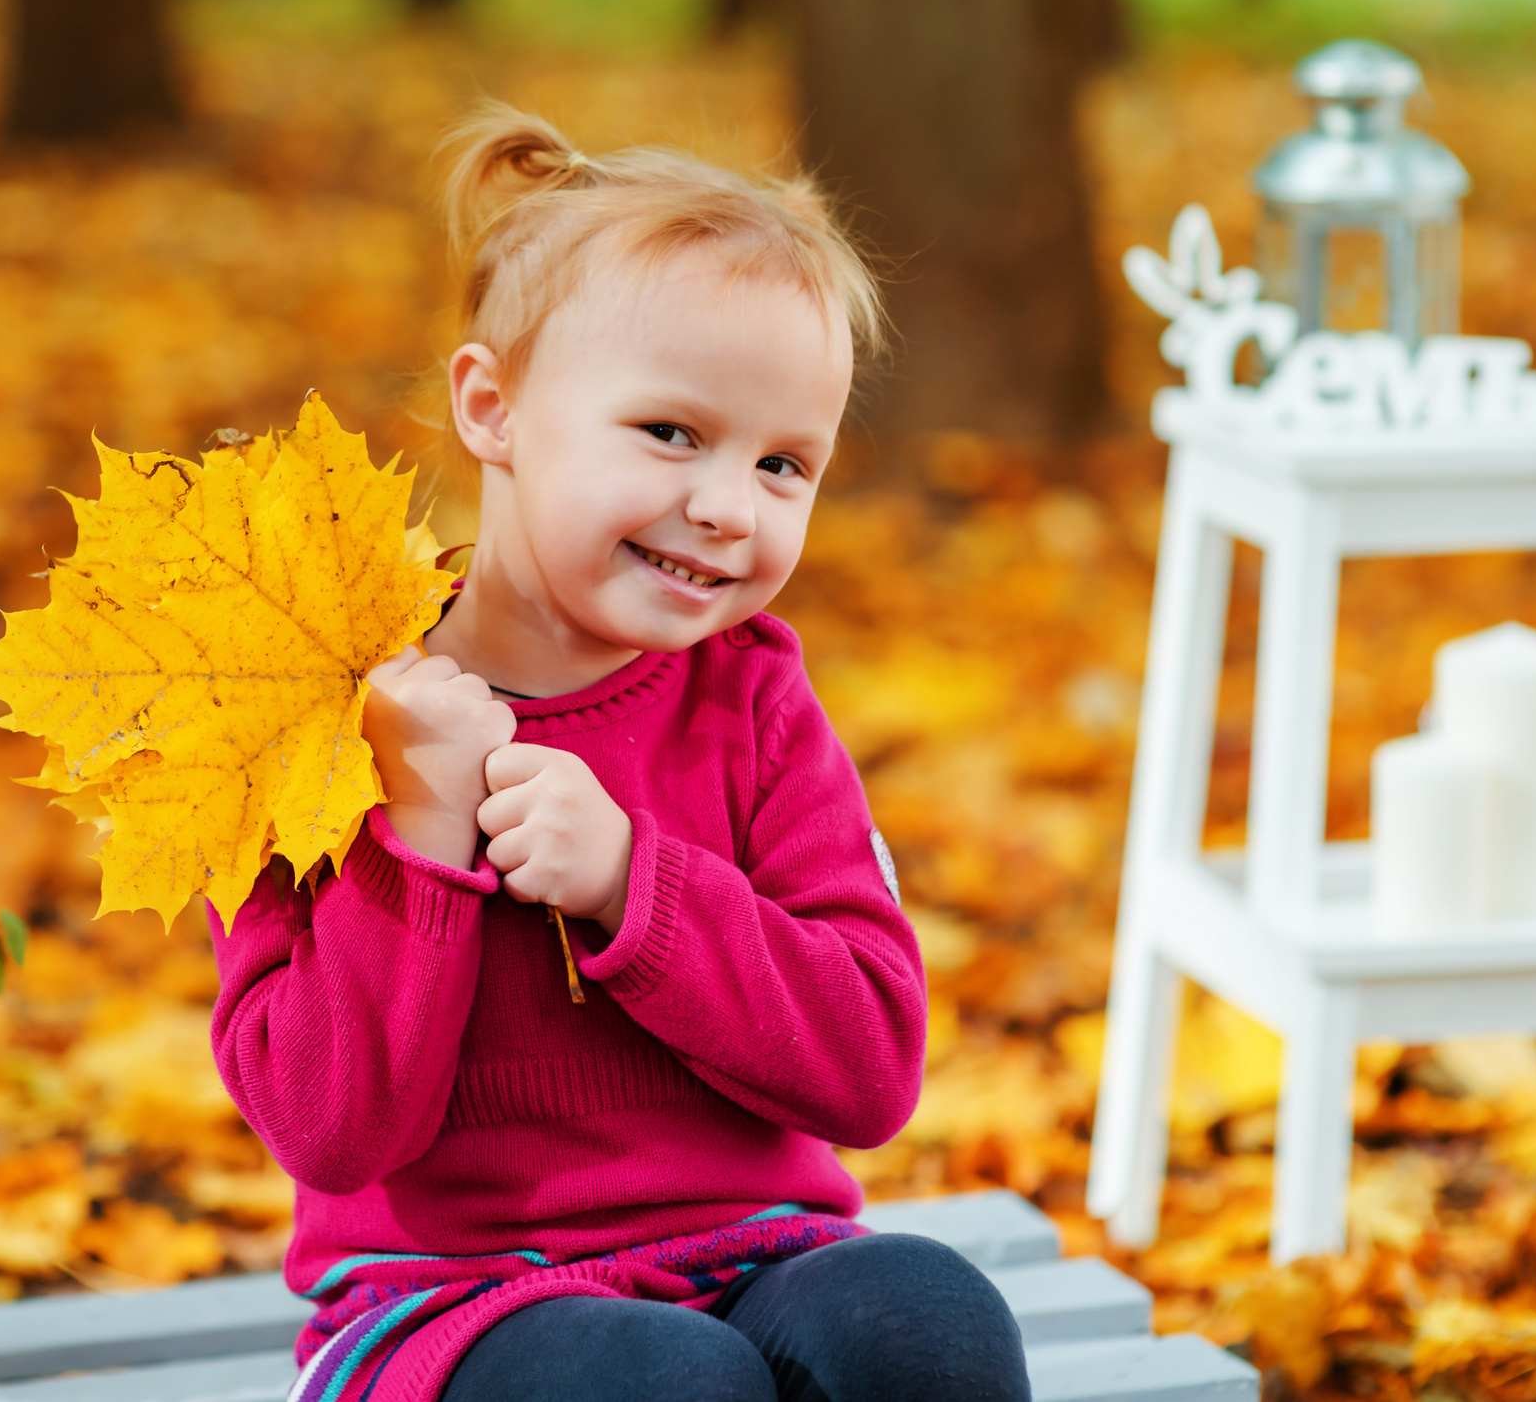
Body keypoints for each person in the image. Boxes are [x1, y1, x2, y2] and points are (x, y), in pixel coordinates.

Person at [209, 106, 1030, 1402]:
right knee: (665, 1384)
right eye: (670, 432)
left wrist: (634, 885)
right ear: (494, 408)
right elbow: (332, 1122)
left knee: (926, 1314)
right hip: (450, 1307)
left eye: (783, 463)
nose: (727, 504)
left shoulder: (753, 705)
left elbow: (870, 1065)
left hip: (757, 1252)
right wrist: (418, 834)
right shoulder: (310, 705)